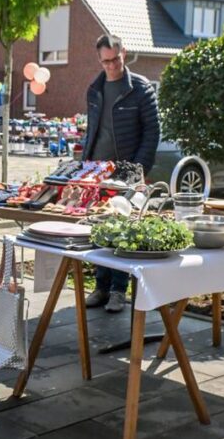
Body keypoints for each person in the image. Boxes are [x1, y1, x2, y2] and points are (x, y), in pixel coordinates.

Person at [81, 34, 160, 313]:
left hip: (128, 172)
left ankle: (118, 291)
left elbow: (152, 132)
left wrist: (138, 170)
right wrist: (84, 164)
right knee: (100, 228)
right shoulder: (95, 88)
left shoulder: (140, 88)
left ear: (123, 53)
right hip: (98, 171)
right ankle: (101, 287)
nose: (112, 66)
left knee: (123, 230)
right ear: (99, 60)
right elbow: (92, 130)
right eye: (106, 62)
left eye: (115, 59)